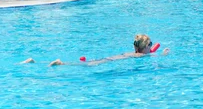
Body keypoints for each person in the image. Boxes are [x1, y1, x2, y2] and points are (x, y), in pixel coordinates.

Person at [22, 34, 169, 66]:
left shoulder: (131, 52)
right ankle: (61, 63)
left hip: (108, 58)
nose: (152, 47)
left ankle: (34, 62)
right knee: (81, 66)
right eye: (151, 44)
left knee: (82, 64)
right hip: (105, 62)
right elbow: (153, 57)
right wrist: (162, 54)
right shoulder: (140, 57)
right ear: (145, 48)